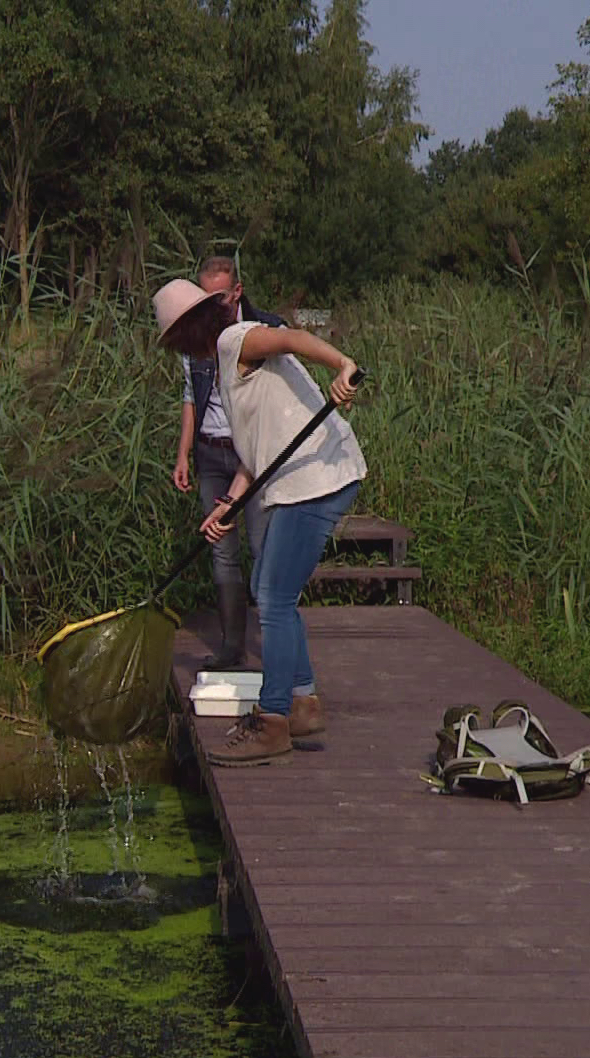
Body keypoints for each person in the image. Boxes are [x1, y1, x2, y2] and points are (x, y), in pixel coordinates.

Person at [152, 277, 365, 767]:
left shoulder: (235, 339)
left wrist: (342, 365)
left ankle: (272, 721)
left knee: (272, 596)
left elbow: (289, 335)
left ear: (187, 331)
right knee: (268, 587)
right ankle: (303, 705)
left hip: (319, 476)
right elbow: (258, 450)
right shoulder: (226, 366)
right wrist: (228, 503)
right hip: (301, 476)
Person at [173, 255, 286, 671]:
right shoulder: (196, 336)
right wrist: (183, 453)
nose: (212, 306)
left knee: (262, 547)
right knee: (222, 550)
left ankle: (276, 647)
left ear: (236, 292)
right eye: (205, 297)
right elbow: (190, 396)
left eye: (218, 297)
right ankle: (231, 647)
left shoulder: (262, 330)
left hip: (251, 455)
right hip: (210, 450)